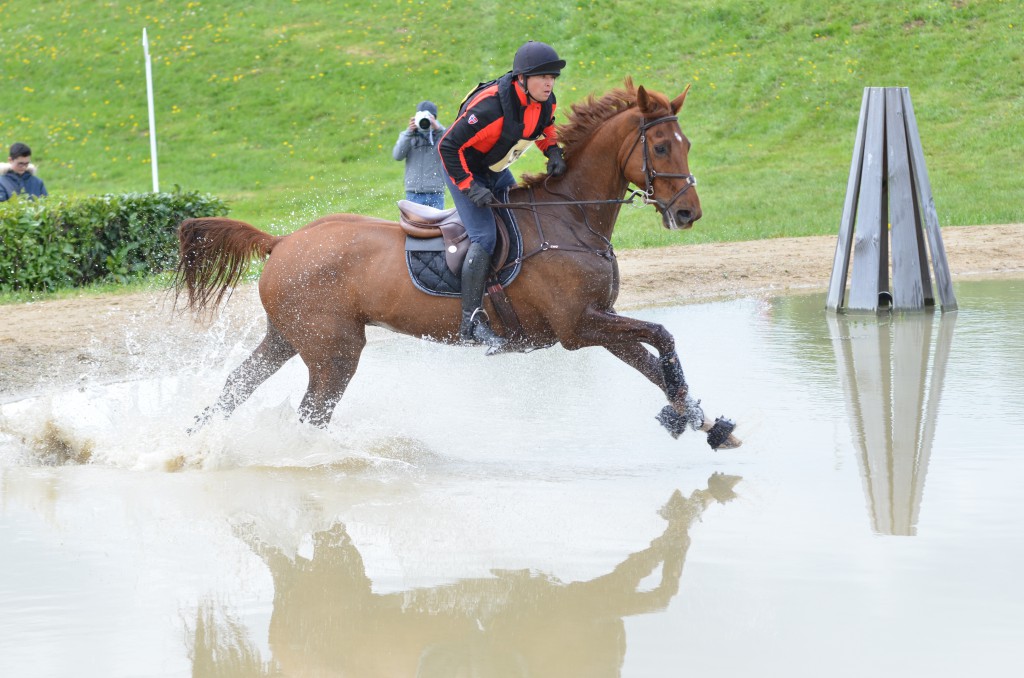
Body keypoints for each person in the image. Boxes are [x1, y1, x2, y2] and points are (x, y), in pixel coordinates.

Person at [438, 40, 568, 349]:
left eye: (552, 77)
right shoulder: (490, 108)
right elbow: (447, 146)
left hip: (494, 167)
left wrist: (553, 151)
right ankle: (470, 322)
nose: (549, 83)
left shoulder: (546, 102)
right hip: (461, 166)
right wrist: (469, 186)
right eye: (542, 77)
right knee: (485, 237)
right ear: (522, 79)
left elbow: (545, 128)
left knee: (520, 217)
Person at [393, 100, 447, 209]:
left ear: (434, 119)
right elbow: (397, 156)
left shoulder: (443, 136)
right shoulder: (408, 135)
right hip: (414, 192)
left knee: (436, 226)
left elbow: (452, 147)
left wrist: (439, 130)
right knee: (413, 225)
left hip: (435, 192)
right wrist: (409, 132)